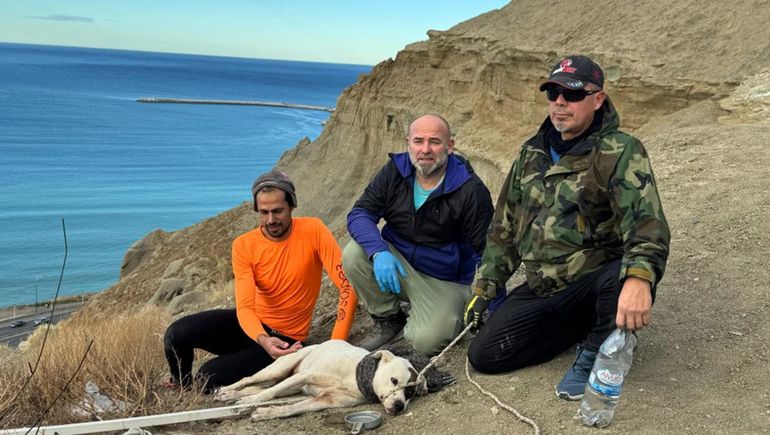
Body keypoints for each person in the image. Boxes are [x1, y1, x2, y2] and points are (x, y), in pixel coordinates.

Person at [464, 55, 670, 400]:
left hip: (594, 281)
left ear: (598, 99)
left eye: (572, 95)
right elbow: (504, 227)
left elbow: (647, 225)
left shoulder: (620, 151)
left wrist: (639, 279)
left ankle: (594, 353)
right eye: (553, 93)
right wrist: (485, 287)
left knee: (621, 276)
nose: (559, 103)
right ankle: (585, 328)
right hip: (545, 284)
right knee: (485, 356)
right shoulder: (531, 153)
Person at [163, 170, 357, 392]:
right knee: (176, 334)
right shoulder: (244, 245)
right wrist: (263, 339)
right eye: (264, 213)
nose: (271, 220)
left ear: (292, 206)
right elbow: (245, 307)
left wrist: (334, 345)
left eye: (277, 211)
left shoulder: (314, 230)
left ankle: (219, 373)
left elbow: (347, 287)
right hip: (253, 328)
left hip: (286, 339)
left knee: (207, 377)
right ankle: (182, 385)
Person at [343, 114, 494, 355]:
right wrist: (379, 252)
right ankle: (389, 320)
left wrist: (495, 309)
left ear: (450, 146)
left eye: (434, 141)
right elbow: (360, 213)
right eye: (418, 141)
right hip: (397, 264)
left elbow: (488, 252)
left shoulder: (470, 190)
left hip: (443, 278)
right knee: (354, 254)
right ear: (408, 143)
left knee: (425, 342)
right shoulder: (396, 171)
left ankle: (439, 314)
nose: (425, 149)